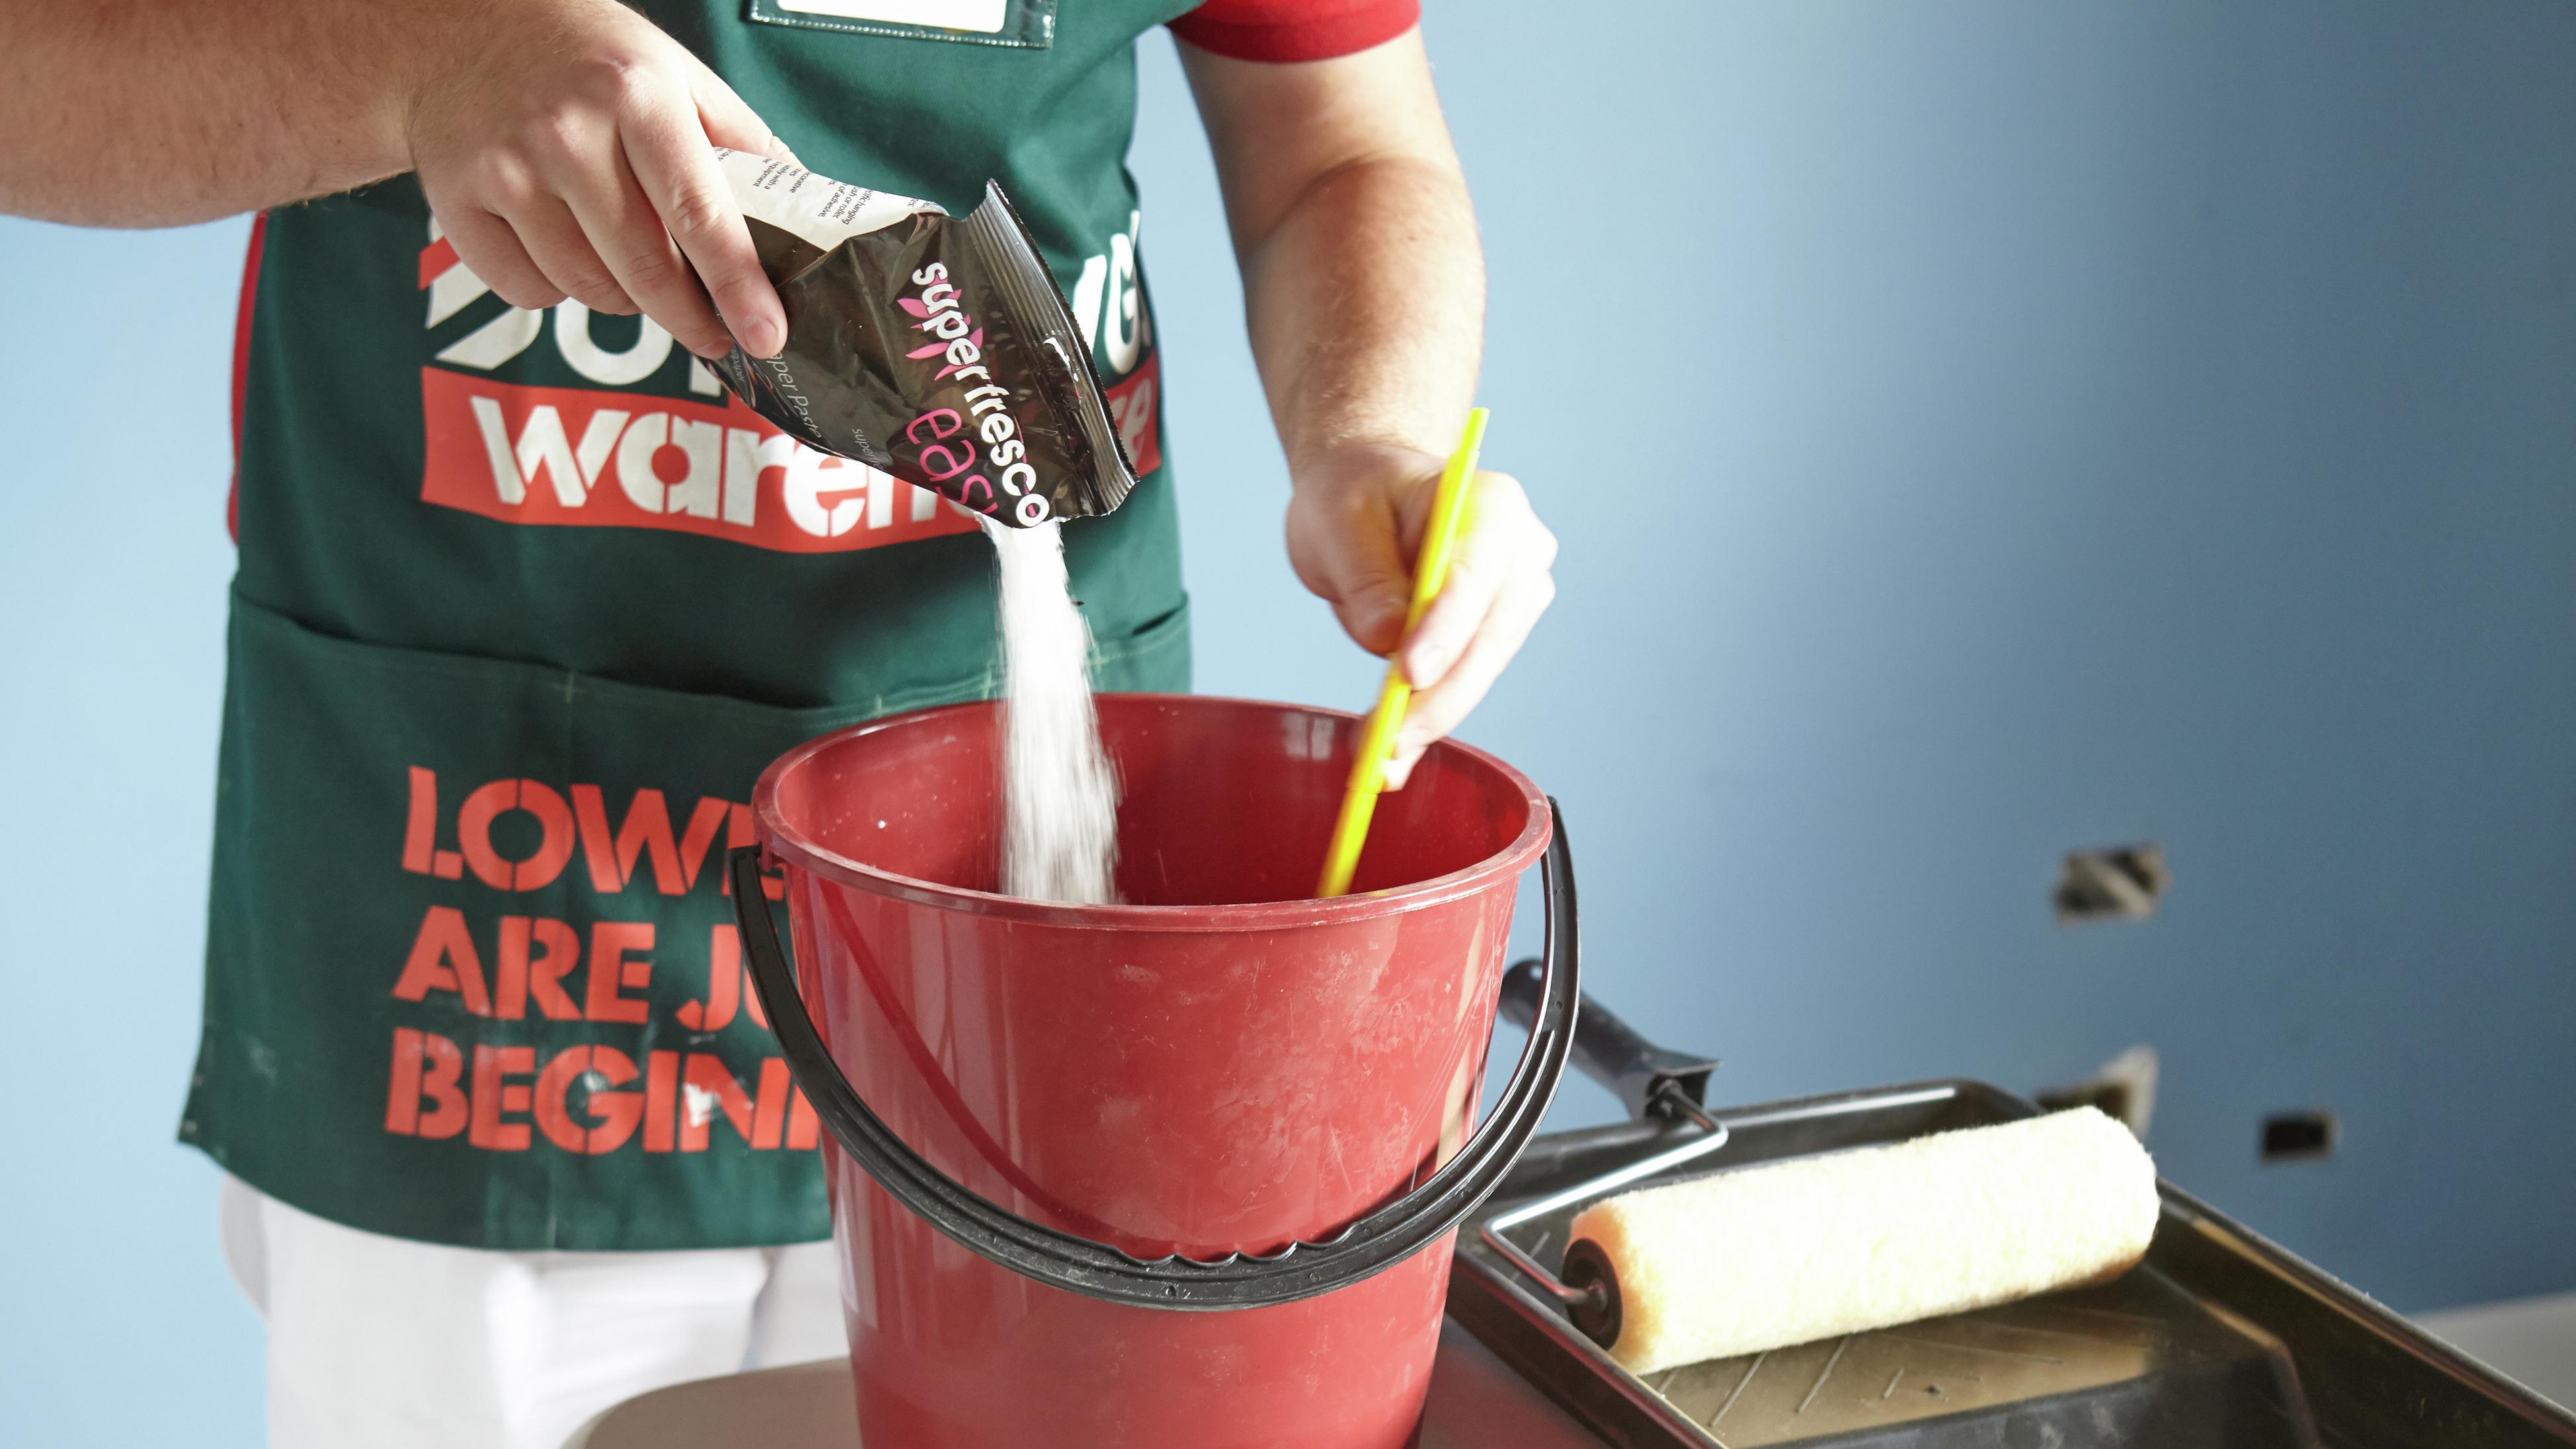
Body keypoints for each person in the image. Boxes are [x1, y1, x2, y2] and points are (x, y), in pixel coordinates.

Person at [0, 1, 1559, 1444]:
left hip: (1032, 876)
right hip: (477, 874)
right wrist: (426, 61)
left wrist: (1377, 435)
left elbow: (1340, 145)